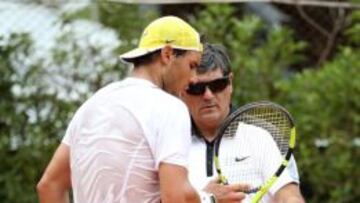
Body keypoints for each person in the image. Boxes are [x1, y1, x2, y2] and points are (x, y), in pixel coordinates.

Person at [37, 16, 206, 203]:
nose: (194, 79)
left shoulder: (90, 106)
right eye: (192, 65)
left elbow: (49, 185)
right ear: (167, 54)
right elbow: (176, 196)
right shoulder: (170, 108)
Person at [180, 43, 306, 203]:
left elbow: (289, 195)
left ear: (230, 83)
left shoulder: (261, 135)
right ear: (182, 90)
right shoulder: (169, 142)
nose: (208, 95)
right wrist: (207, 199)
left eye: (217, 85)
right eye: (197, 88)